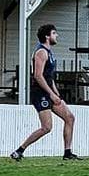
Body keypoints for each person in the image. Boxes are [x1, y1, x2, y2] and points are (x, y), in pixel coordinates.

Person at [11, 24, 81, 161]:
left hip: (49, 92)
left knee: (70, 118)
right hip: (40, 93)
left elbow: (49, 76)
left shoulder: (49, 52)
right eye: (54, 33)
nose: (57, 36)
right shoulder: (41, 52)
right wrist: (51, 94)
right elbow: (38, 75)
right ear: (47, 37)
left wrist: (57, 94)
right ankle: (19, 150)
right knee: (47, 127)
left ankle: (67, 153)